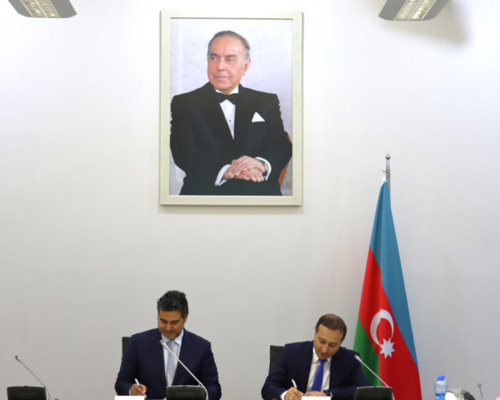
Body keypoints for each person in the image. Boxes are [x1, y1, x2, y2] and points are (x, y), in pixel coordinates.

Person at [170, 30, 292, 196]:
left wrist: (259, 163)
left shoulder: (266, 101)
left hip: (258, 191)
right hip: (205, 193)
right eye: (214, 58)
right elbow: (183, 150)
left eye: (230, 59)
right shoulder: (184, 103)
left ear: (246, 66)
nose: (220, 66)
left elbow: (280, 143)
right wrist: (226, 171)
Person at [115, 291, 221, 400]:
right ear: (158, 315)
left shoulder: (201, 347)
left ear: (186, 317)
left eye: (174, 322)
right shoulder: (138, 342)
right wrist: (131, 390)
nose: (168, 328)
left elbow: (214, 389)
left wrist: (196, 396)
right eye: (163, 321)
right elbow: (121, 383)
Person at [261, 314, 369, 400]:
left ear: (342, 341)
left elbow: (363, 391)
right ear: (315, 331)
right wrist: (285, 395)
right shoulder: (291, 352)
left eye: (332, 345)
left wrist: (329, 395)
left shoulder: (350, 359)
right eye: (321, 341)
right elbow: (268, 388)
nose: (324, 350)